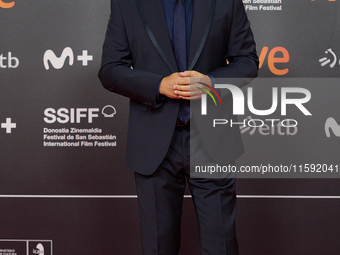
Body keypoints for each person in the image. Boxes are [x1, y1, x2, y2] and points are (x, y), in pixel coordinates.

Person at [98, 0, 258, 254]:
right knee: (158, 247)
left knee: (222, 246)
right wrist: (158, 85)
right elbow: (110, 70)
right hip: (153, 143)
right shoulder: (126, 3)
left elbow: (247, 61)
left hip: (212, 141)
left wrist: (212, 82)